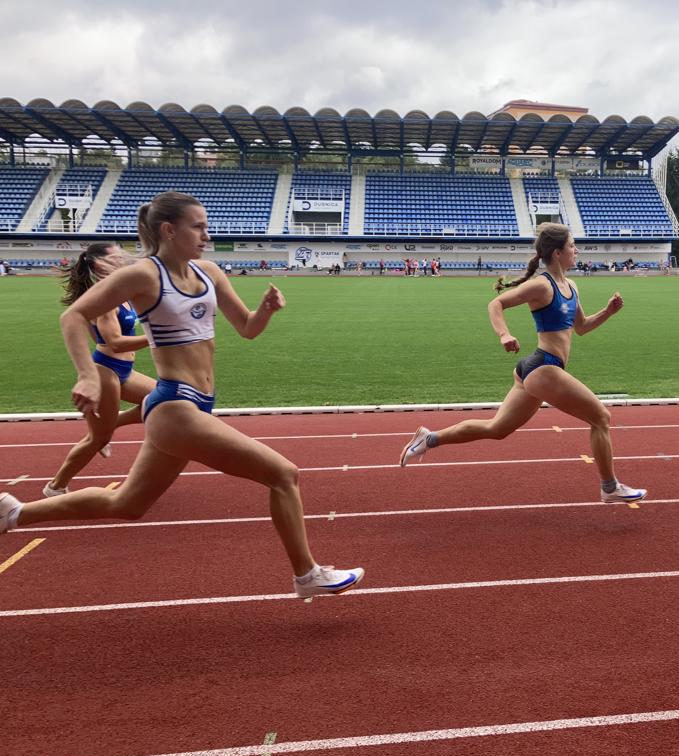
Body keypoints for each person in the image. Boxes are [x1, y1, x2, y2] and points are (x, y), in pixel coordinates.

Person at [0, 192, 362, 598]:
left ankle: (14, 512)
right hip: (175, 405)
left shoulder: (209, 272)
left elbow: (246, 328)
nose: (207, 235)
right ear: (169, 230)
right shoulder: (144, 275)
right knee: (283, 474)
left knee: (128, 505)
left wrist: (266, 310)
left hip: (197, 404)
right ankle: (307, 575)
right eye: (198, 227)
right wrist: (87, 375)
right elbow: (73, 315)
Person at [398, 222, 646, 504]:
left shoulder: (571, 286)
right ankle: (609, 487)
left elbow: (581, 327)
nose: (576, 250)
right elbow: (496, 304)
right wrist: (504, 334)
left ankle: (428, 439)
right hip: (544, 368)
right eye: (572, 246)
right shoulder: (542, 285)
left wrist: (608, 312)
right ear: (557, 253)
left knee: (497, 429)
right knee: (601, 417)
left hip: (535, 369)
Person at [43, 243, 157, 497]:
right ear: (100, 264)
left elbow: (100, 336)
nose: (124, 259)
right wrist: (156, 337)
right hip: (106, 371)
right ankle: (56, 486)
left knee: (163, 399)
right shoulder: (105, 299)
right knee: (98, 440)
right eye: (117, 256)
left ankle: (110, 424)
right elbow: (114, 342)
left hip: (124, 370)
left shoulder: (120, 292)